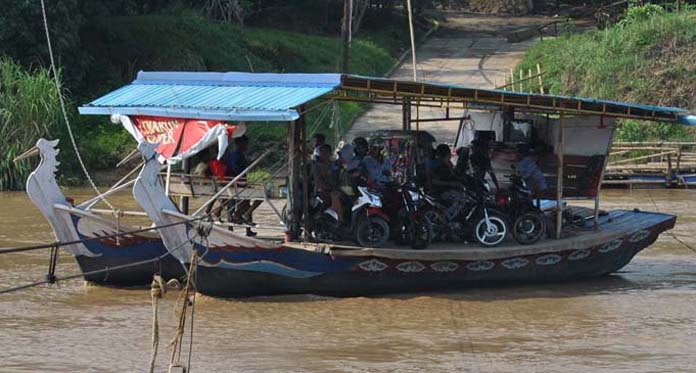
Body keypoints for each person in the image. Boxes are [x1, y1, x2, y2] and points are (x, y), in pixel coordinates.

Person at [225, 135, 262, 236]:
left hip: (236, 184)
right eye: (245, 143)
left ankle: (244, 227)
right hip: (236, 184)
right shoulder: (236, 155)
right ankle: (243, 216)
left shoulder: (236, 154)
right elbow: (235, 169)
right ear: (239, 144)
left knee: (244, 204)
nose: (247, 146)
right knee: (260, 196)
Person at [313, 144, 344, 221]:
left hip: (335, 188)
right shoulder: (317, 166)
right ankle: (340, 219)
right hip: (323, 190)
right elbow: (318, 182)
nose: (325, 155)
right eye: (322, 153)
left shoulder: (332, 165)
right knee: (335, 196)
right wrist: (329, 188)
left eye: (326, 152)